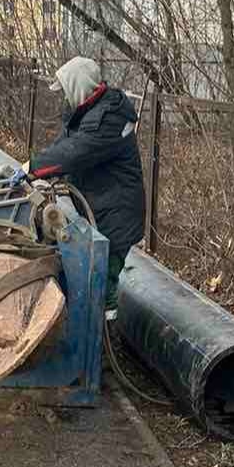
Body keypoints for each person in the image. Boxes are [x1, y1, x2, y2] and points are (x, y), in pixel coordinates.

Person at [27, 56, 145, 311]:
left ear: (78, 87)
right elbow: (63, 146)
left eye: (66, 90)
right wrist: (39, 168)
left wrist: (34, 169)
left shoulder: (108, 118)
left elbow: (75, 152)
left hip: (117, 217)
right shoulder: (88, 111)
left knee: (102, 287)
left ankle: (103, 343)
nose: (64, 98)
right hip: (102, 209)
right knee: (92, 279)